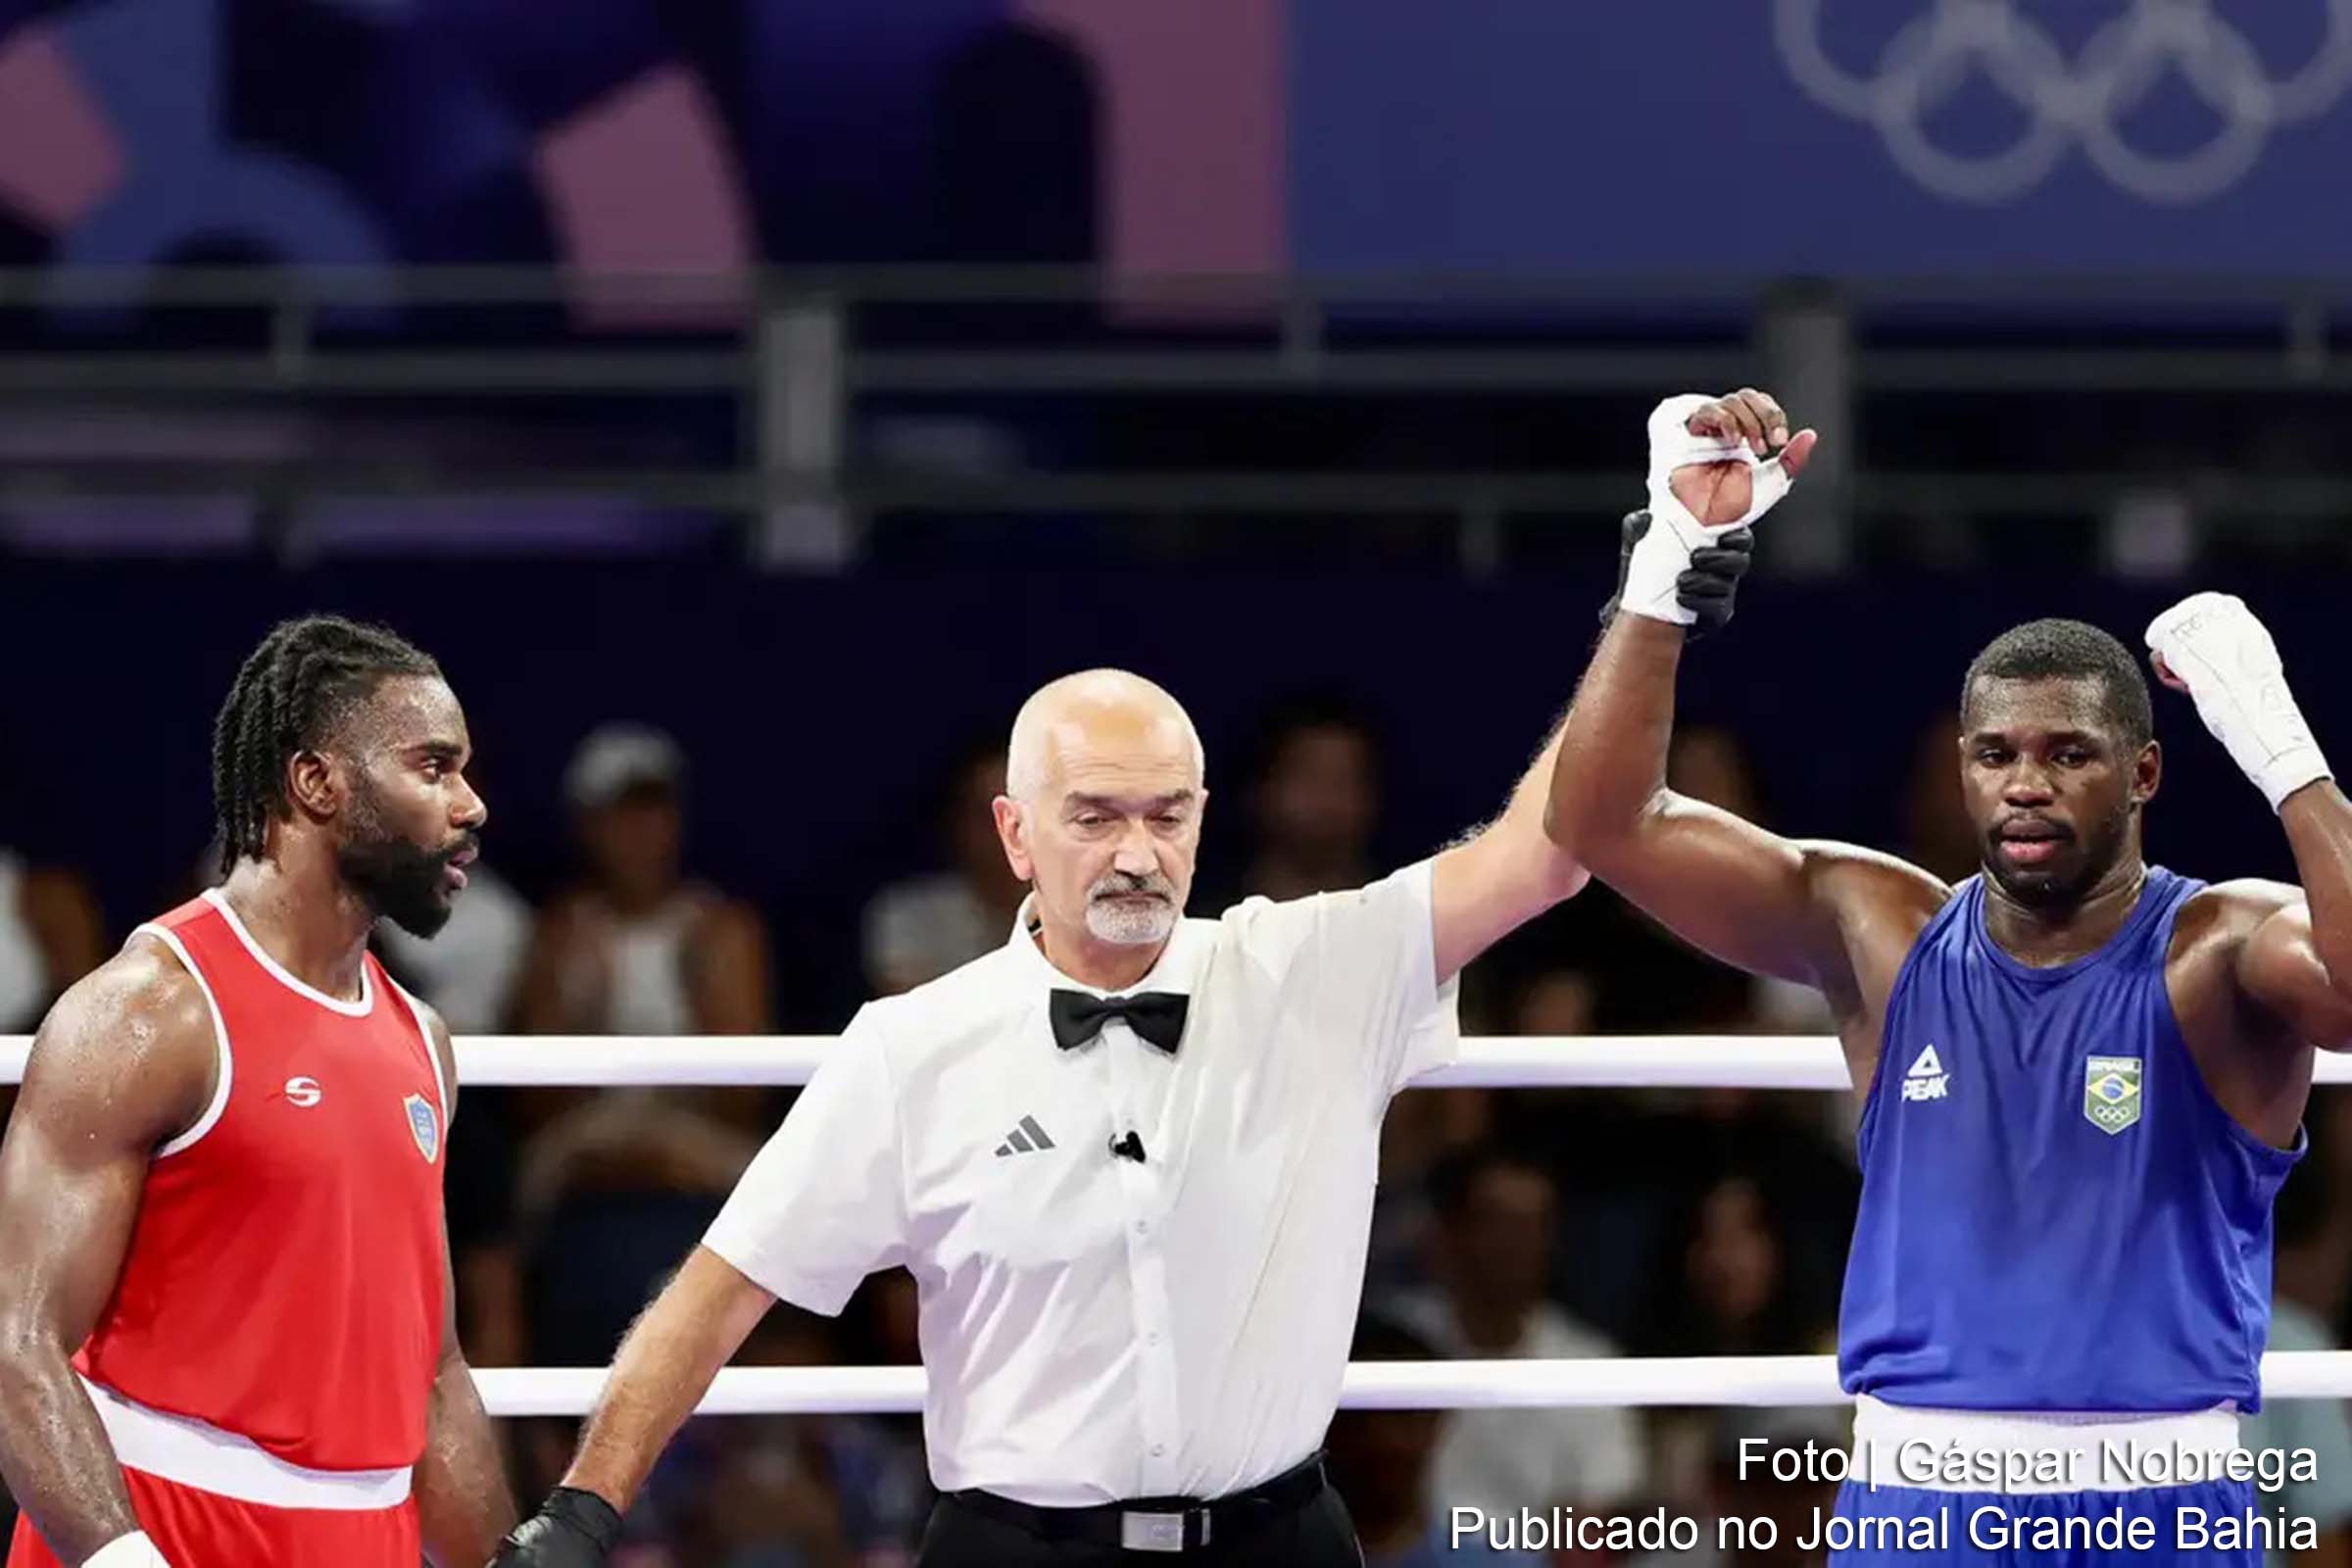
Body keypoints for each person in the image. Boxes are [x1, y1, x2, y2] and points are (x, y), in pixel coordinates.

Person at [488, 564, 1753, 1568]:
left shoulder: (1313, 968)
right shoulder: (915, 1047)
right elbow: (717, 1291)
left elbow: (1555, 841)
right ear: (1015, 831)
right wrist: (583, 1509)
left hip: (1280, 1539)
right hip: (1015, 1550)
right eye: (1095, 816)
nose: (1137, 851)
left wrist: (1657, 585)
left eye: (1168, 813)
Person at [1548, 388, 2352, 1563]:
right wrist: (1666, 570)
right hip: (1919, 1493)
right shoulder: (1880, 928)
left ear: (2143, 773)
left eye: (2068, 753)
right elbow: (1603, 823)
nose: (2025, 782)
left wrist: (2280, 748)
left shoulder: (2221, 948)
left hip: (2163, 1494)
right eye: (1996, 753)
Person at [0, 615, 514, 1568]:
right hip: (164, 1523)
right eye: (434, 767)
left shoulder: (421, 1043)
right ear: (317, 782)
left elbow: (434, 1377)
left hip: (366, 1535)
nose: (472, 803)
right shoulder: (151, 1013)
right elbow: (15, 1341)